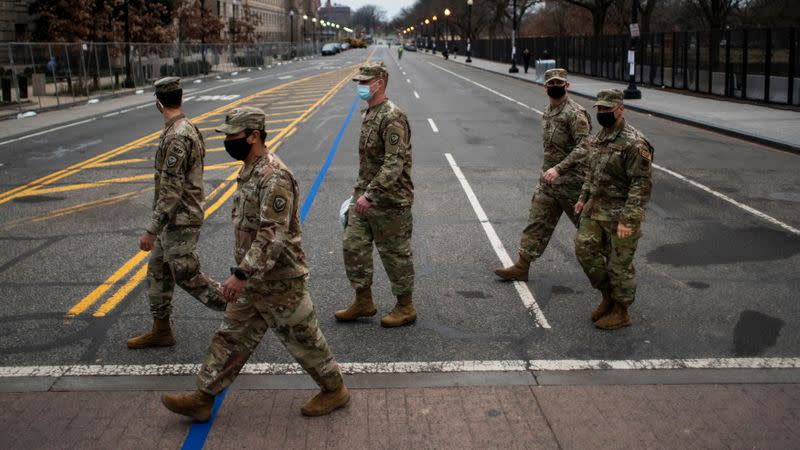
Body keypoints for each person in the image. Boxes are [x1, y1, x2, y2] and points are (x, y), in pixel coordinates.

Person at [161, 107, 349, 420]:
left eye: (233, 136)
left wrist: (241, 274)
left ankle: (334, 390)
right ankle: (203, 398)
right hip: (254, 280)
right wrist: (245, 275)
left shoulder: (273, 176)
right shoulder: (250, 170)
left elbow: (271, 236)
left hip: (280, 280)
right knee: (229, 337)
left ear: (254, 136)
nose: (228, 142)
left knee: (304, 339)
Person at [127, 77, 226, 349]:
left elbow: (171, 190)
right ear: (181, 99)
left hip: (180, 217)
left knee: (185, 273)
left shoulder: (177, 136)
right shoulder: (185, 128)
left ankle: (242, 309)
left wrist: (151, 229)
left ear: (158, 104)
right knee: (158, 269)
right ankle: (161, 330)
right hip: (175, 216)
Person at [336, 62, 416, 328]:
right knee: (353, 246)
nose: (360, 86)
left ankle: (405, 307)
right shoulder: (370, 113)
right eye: (359, 82)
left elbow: (394, 162)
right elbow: (370, 162)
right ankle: (363, 301)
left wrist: (370, 195)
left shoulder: (392, 117)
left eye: (364, 81)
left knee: (395, 254)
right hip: (365, 196)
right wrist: (358, 192)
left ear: (379, 83)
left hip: (390, 200)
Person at [495, 69, 591, 283]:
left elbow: (585, 147)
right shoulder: (548, 110)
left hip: (572, 183)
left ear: (567, 86)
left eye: (560, 83)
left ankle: (612, 268)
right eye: (551, 83)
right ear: (545, 87)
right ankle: (522, 266)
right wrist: (550, 172)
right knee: (536, 222)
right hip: (548, 182)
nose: (555, 86)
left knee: (588, 228)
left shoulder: (575, 113)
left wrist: (559, 168)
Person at [574, 89, 654, 330]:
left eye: (607, 109)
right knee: (584, 250)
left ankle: (621, 310)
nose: (602, 113)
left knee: (619, 264)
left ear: (620, 109)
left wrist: (628, 220)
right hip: (595, 209)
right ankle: (607, 296)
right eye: (599, 109)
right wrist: (582, 197)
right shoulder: (600, 138)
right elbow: (591, 171)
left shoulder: (635, 143)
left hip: (621, 214)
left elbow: (641, 185)